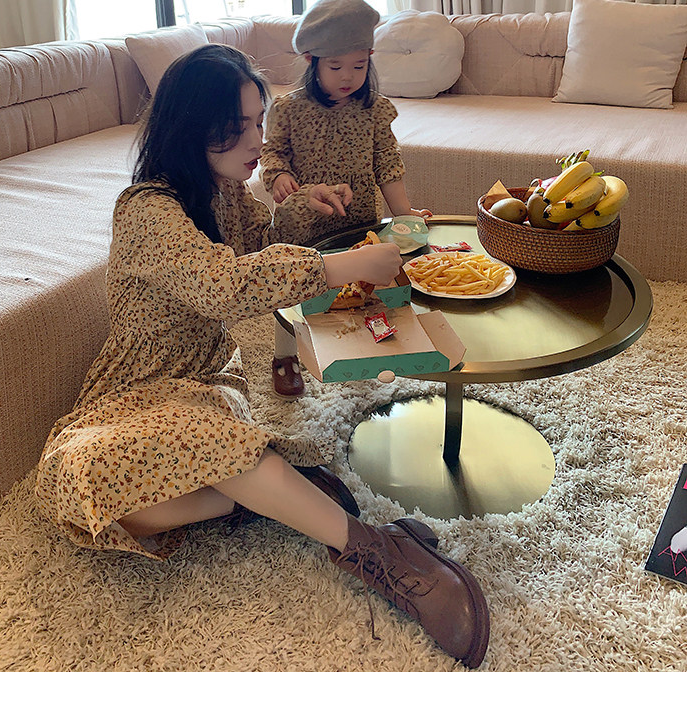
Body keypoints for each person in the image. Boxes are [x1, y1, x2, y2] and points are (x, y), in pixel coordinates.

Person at [34, 43, 489, 669]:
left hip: (209, 385)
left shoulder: (226, 191)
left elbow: (262, 245)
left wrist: (302, 206)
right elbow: (224, 285)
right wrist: (341, 265)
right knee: (89, 487)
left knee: (201, 452)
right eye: (237, 127)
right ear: (189, 129)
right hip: (134, 394)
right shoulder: (146, 211)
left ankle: (380, 553)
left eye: (257, 121)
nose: (256, 141)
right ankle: (275, 489)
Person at [260, 0, 431, 399]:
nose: (347, 76)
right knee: (295, 292)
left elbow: (387, 164)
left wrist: (405, 214)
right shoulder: (288, 109)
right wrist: (278, 175)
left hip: (358, 222)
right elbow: (272, 152)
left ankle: (356, 348)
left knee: (359, 292)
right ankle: (285, 356)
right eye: (335, 67)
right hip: (305, 225)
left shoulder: (375, 109)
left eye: (359, 65)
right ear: (311, 61)